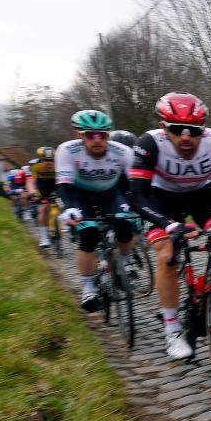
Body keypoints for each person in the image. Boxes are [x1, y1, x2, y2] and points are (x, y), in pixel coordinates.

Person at [128, 92, 211, 359]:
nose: (186, 136)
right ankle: (172, 329)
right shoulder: (149, 144)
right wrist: (167, 224)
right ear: (164, 128)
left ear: (203, 130)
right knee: (167, 255)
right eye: (177, 129)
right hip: (161, 199)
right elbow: (135, 196)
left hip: (201, 194)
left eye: (193, 130)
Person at [55, 111, 135, 310]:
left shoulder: (123, 151)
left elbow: (135, 184)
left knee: (126, 224)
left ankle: (123, 264)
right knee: (89, 234)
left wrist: (141, 208)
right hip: (79, 196)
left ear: (109, 135)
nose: (98, 140)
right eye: (91, 135)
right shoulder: (67, 150)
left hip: (111, 194)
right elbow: (64, 185)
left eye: (103, 135)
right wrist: (69, 209)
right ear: (79, 135)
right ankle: (89, 288)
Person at [29, 147, 57, 246]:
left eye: (51, 160)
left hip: (56, 183)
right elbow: (31, 181)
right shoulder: (34, 165)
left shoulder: (59, 163)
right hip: (42, 185)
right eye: (45, 160)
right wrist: (33, 193)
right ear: (40, 159)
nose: (49, 163)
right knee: (44, 208)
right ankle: (44, 237)